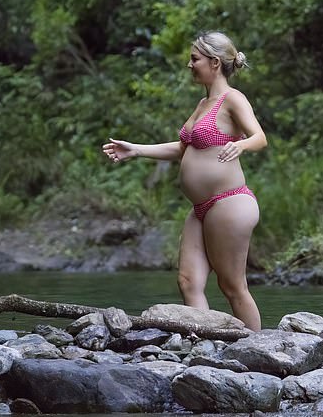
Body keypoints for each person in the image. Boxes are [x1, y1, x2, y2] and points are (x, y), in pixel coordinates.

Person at [102, 31, 267, 331]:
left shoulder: (233, 99)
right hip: (201, 208)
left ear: (215, 63)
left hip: (229, 203)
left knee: (232, 286)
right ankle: (204, 344)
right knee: (189, 282)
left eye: (195, 59)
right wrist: (135, 150)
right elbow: (184, 148)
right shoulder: (204, 103)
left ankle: (260, 348)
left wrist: (241, 145)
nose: (189, 65)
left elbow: (259, 137)